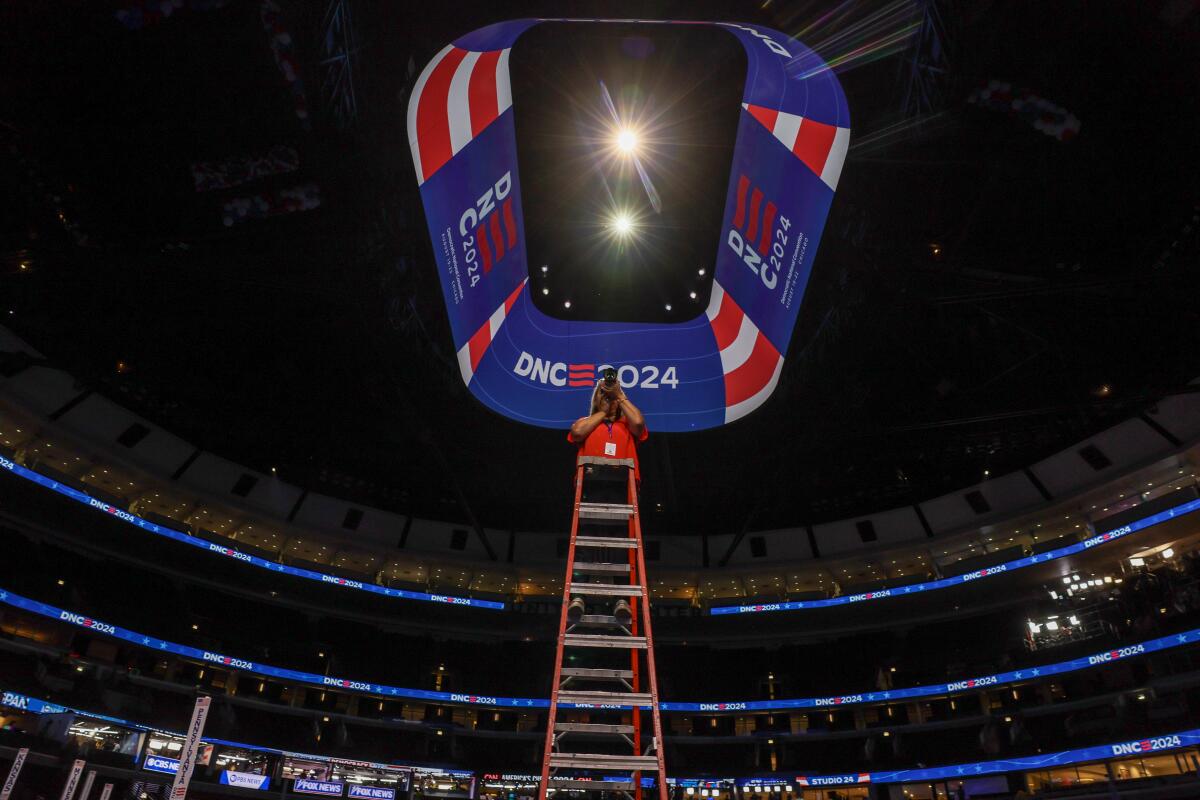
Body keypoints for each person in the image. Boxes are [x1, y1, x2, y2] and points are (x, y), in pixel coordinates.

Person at [566, 372, 647, 625]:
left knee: (619, 543)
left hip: (622, 488)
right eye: (604, 395)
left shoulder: (626, 424)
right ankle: (579, 597)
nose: (609, 399)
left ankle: (620, 601)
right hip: (591, 484)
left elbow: (639, 424)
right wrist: (601, 410)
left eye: (610, 396)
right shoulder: (588, 420)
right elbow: (577, 433)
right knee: (588, 541)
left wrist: (620, 396)